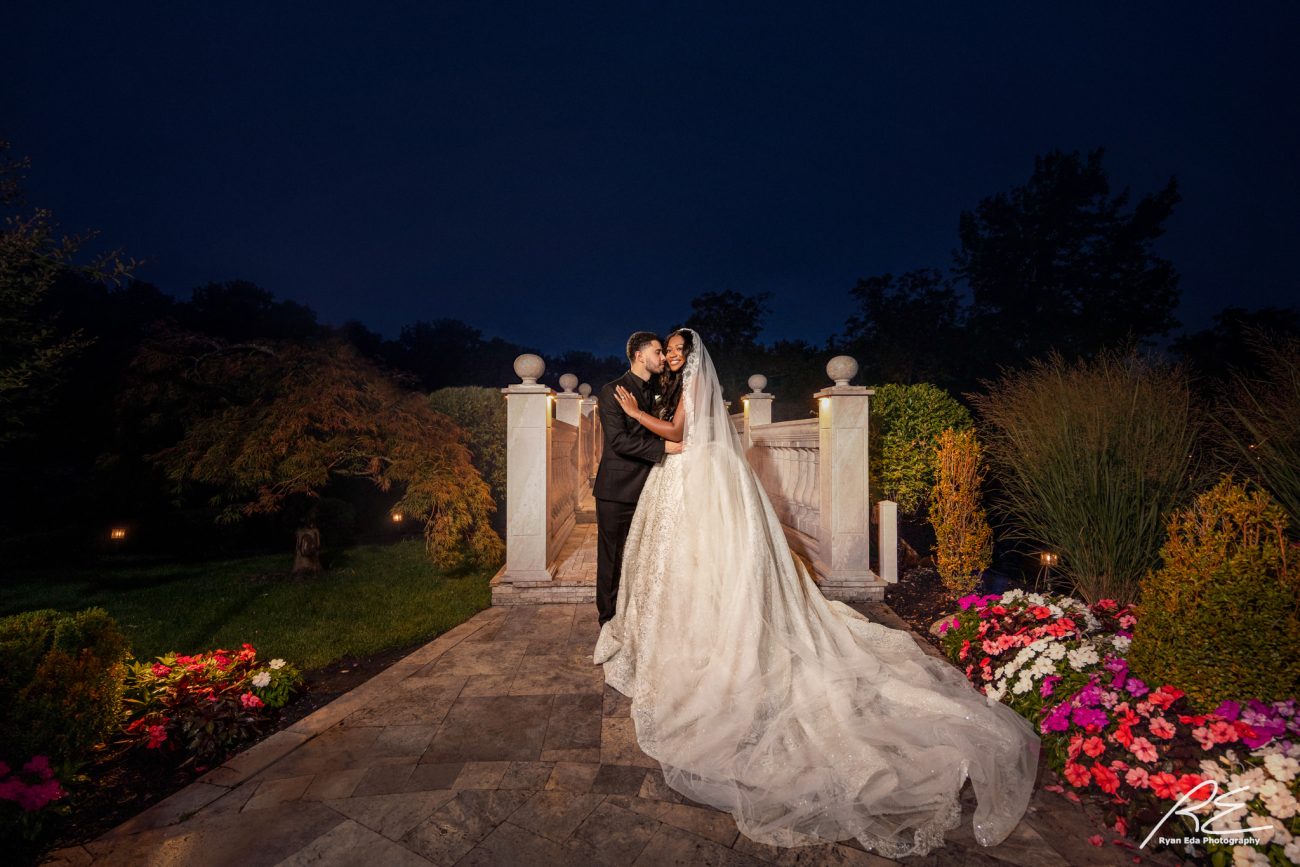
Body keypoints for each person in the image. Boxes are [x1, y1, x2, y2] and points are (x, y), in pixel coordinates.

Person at [593, 328, 1040, 859]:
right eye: (662, 349)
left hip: (688, 468)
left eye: (673, 349)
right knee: (677, 556)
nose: (667, 355)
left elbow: (681, 435)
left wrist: (643, 418)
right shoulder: (657, 384)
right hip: (673, 477)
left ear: (688, 358)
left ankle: (714, 632)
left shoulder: (685, 388)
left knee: (702, 554)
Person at [592, 331, 683, 626]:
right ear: (639, 355)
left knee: (643, 557)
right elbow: (618, 441)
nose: (663, 358)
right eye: (658, 352)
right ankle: (608, 619)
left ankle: (636, 615)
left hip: (650, 486)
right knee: (613, 557)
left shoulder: (662, 388)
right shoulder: (612, 391)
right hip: (616, 490)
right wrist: (665, 447)